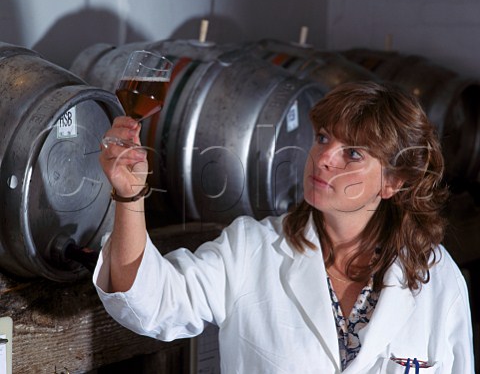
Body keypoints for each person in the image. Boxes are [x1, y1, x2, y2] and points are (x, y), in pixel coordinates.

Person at [94, 81, 475, 373]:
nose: (324, 157)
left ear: (392, 182)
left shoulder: (437, 279)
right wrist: (131, 198)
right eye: (323, 137)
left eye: (353, 153)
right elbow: (151, 304)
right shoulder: (251, 250)